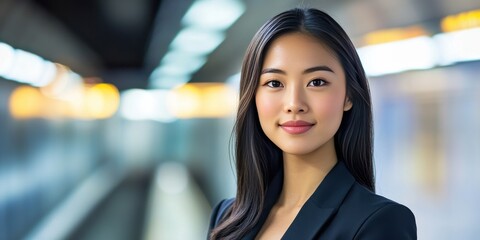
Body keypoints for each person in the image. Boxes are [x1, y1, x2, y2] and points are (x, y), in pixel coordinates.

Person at [208, 7, 417, 240]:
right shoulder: (227, 217)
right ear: (253, 95)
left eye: (316, 82)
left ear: (349, 95)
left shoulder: (380, 221)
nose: (294, 103)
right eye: (275, 83)